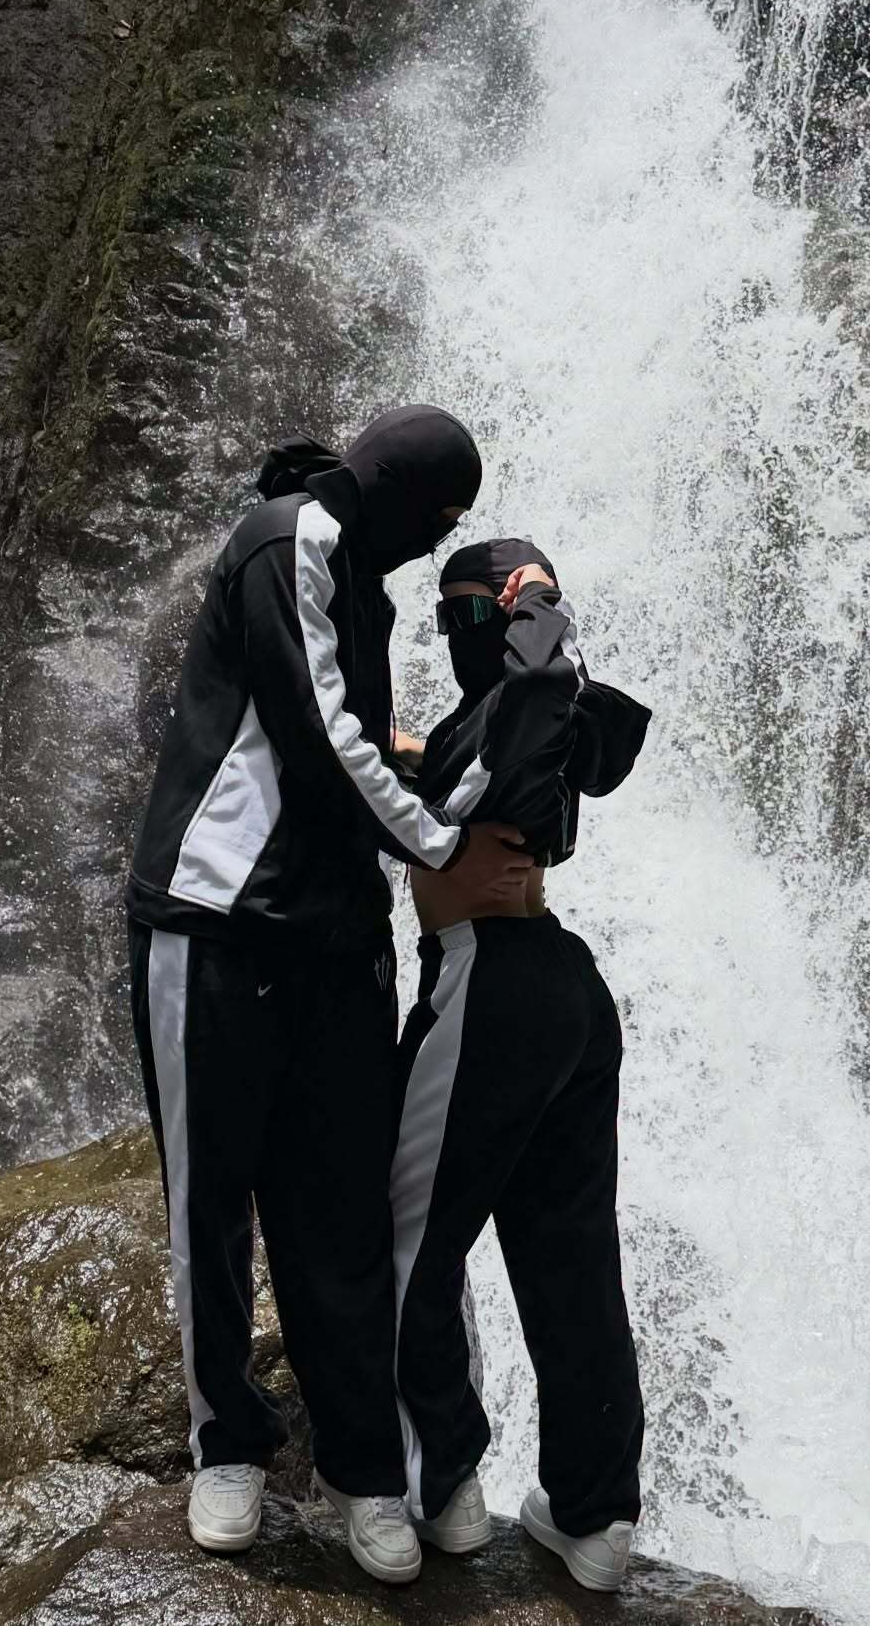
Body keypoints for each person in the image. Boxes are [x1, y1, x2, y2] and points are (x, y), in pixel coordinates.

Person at [123, 408, 534, 1583]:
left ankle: (368, 1470)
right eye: (441, 517)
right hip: (212, 923)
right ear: (408, 494)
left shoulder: (364, 578)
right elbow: (317, 730)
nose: (437, 539)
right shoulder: (287, 535)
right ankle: (227, 1446)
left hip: (338, 942)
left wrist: (450, 760)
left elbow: (359, 734)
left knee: (345, 1210)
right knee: (211, 1199)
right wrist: (442, 841)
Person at [388, 536, 651, 1592]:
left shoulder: (531, 695)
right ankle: (593, 1514)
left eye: (473, 614)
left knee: (401, 1238)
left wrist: (538, 607)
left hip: (484, 981)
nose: (458, 634)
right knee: (569, 1257)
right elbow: (510, 742)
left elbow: (534, 691)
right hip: (566, 990)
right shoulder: (529, 724)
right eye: (447, 618)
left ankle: (439, 1485)